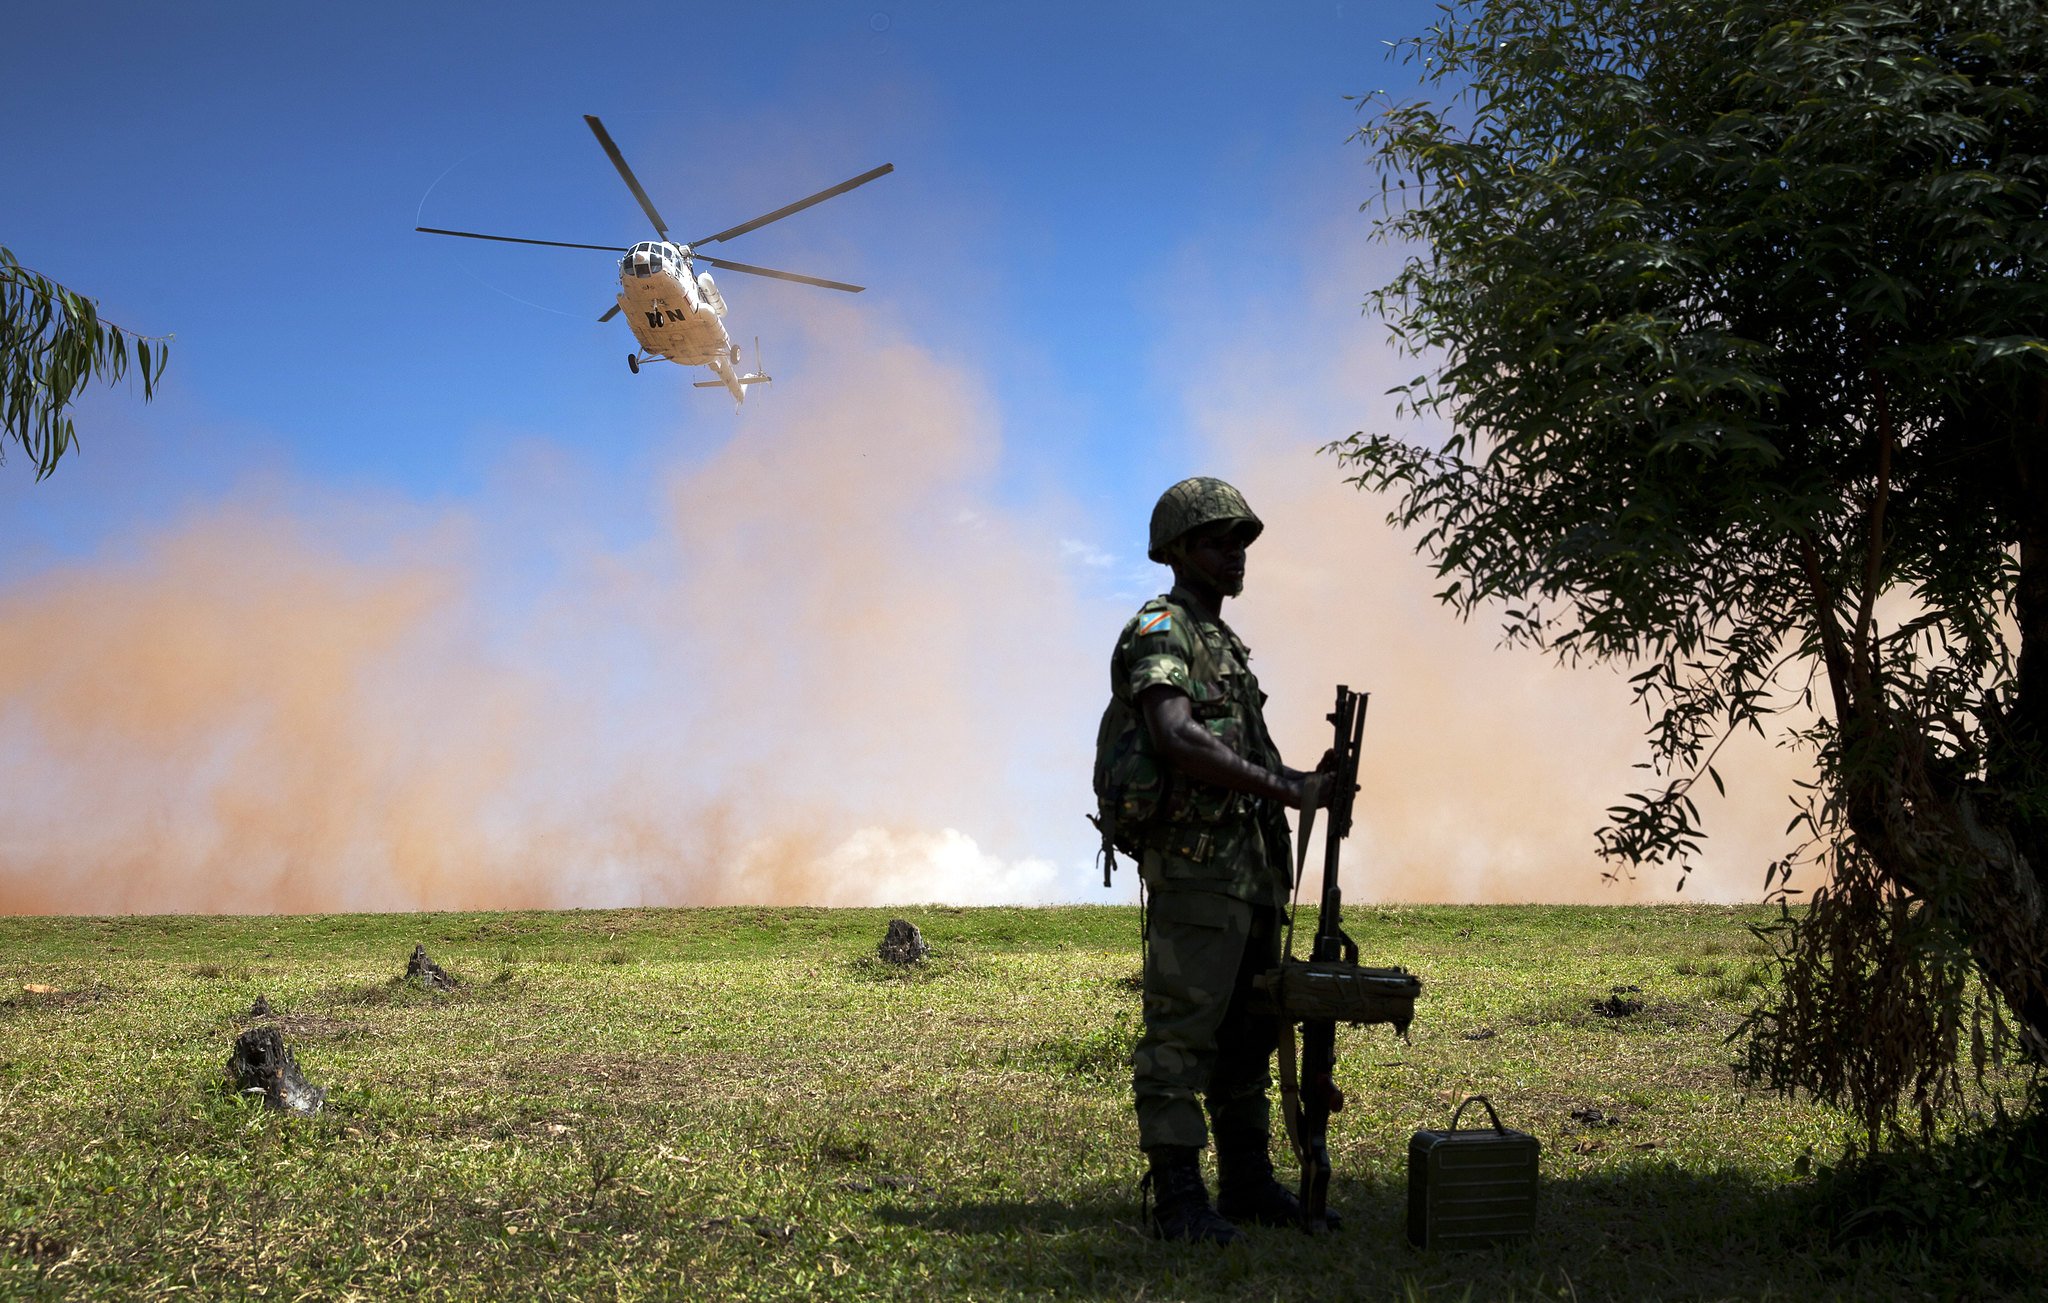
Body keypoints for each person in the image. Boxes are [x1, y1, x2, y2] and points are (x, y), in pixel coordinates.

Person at [1108, 476, 1334, 1244]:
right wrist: (1286, 784)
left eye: (1241, 541)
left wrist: (1309, 781)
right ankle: (1177, 1199)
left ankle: (1246, 1183)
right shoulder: (1162, 628)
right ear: (1176, 551)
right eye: (1216, 540)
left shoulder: (1224, 644)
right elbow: (1175, 735)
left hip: (1251, 874)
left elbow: (1244, 757)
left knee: (1249, 1038)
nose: (1235, 555)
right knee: (1182, 1034)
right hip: (1199, 871)